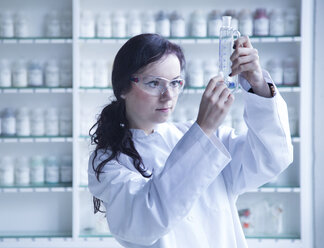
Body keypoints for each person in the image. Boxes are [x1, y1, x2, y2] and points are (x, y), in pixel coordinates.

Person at [88, 33, 293, 248]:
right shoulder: (107, 163)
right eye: (154, 83)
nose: (168, 95)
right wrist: (202, 130)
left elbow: (272, 158)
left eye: (175, 82)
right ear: (122, 88)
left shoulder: (206, 138)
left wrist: (258, 84)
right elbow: (148, 218)